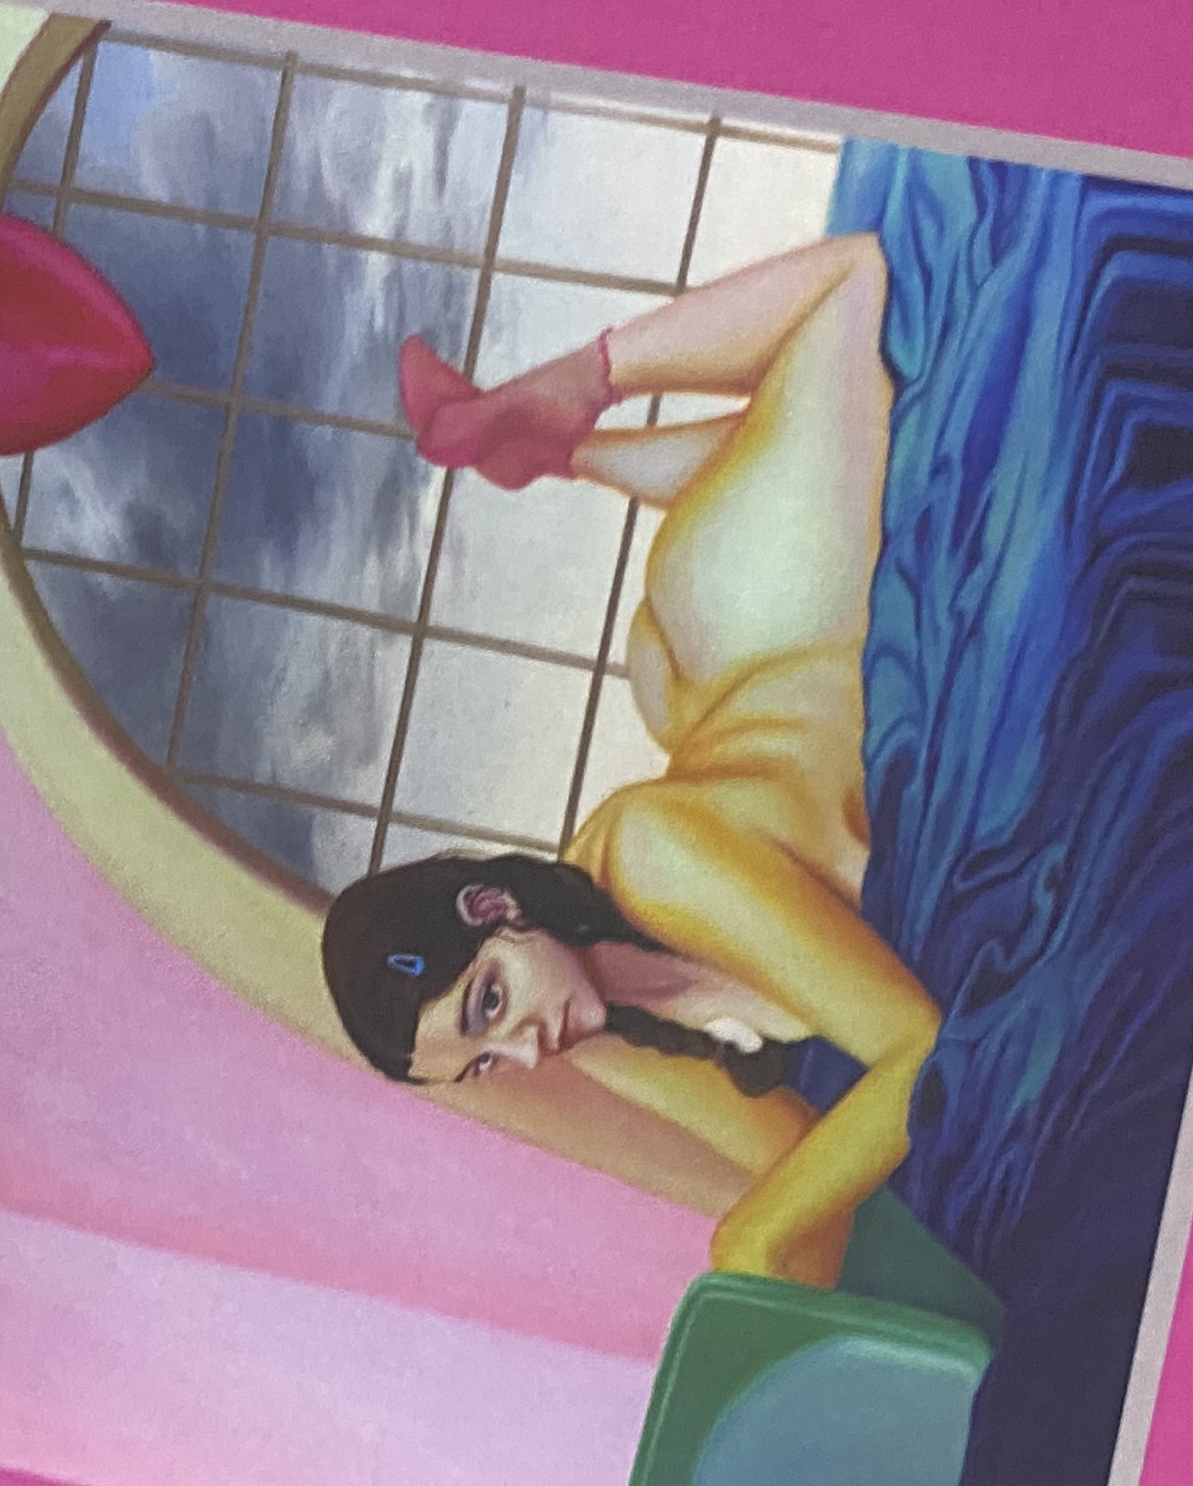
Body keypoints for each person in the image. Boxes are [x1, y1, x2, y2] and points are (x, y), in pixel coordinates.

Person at [319, 234, 937, 1289]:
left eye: (488, 1006)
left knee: (848, 293)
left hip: (769, 623)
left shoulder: (651, 860)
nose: (525, 1054)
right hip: (707, 695)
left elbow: (914, 1045)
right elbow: (800, 1170)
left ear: (490, 909)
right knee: (759, 449)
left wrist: (744, 1244)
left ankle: (576, 392)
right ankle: (561, 455)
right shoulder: (593, 1026)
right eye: (482, 1063)